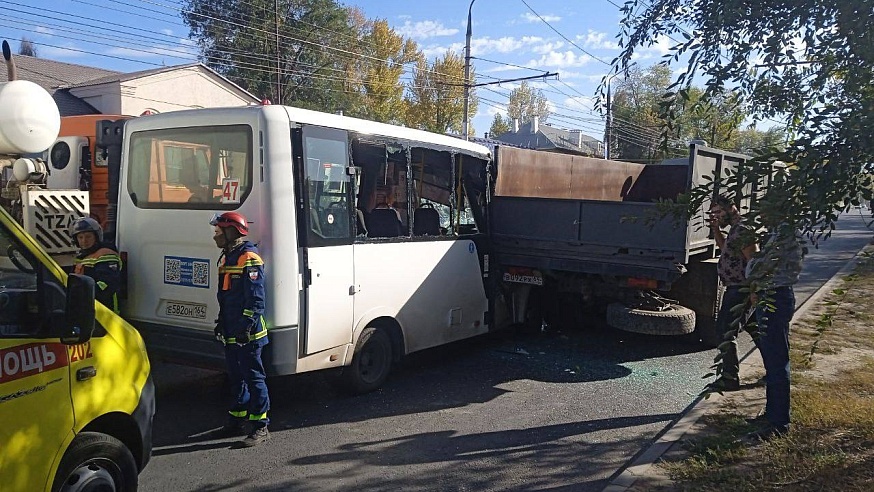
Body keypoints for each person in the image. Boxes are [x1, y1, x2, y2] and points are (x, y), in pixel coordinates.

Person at [745, 198, 805, 440]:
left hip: (775, 298)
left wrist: (752, 258)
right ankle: (773, 414)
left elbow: (755, 268)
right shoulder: (780, 233)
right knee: (773, 361)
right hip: (774, 295)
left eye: (764, 210)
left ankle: (779, 423)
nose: (761, 216)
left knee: (777, 362)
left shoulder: (782, 237)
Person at [211, 211, 271, 446]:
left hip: (249, 332)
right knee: (236, 378)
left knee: (254, 378)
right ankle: (236, 420)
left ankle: (261, 426)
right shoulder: (228, 257)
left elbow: (256, 299)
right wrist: (221, 322)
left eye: (218, 232)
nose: (215, 236)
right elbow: (227, 296)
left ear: (232, 232)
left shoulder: (249, 258)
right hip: (231, 330)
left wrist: (246, 325)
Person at [708, 195, 758, 391]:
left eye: (719, 212)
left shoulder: (743, 230)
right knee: (755, 329)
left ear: (731, 208)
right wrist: (716, 231)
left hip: (741, 289)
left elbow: (753, 262)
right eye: (713, 213)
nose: (716, 216)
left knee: (724, 331)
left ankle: (729, 377)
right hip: (736, 287)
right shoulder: (734, 230)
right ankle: (774, 366)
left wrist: (754, 292)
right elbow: (726, 250)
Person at [71, 217, 122, 314]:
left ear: (97, 237)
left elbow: (106, 285)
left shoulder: (106, 254)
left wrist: (84, 294)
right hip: (88, 309)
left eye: (88, 236)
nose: (84, 241)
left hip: (106, 311)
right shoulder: (82, 257)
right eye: (80, 237)